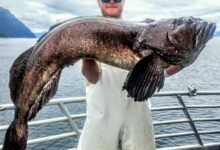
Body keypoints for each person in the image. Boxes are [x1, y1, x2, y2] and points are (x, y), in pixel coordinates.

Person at [78, 0, 183, 150]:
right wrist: (86, 53)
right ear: (98, 2)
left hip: (138, 118)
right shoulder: (90, 32)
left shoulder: (145, 33)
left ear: (124, 2)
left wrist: (184, 59)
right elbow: (92, 77)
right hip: (101, 118)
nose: (112, 2)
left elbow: (162, 71)